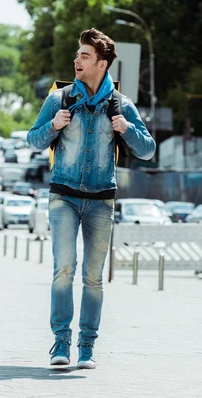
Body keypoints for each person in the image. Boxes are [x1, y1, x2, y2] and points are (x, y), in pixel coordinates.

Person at [27, 28, 156, 369]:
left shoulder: (121, 106)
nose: (77, 60)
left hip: (101, 202)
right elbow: (34, 140)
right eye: (77, 55)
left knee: (94, 277)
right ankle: (60, 345)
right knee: (63, 271)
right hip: (64, 198)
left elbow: (147, 150)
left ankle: (87, 347)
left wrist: (126, 129)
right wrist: (53, 125)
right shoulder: (60, 99)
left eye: (84, 56)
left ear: (102, 63)